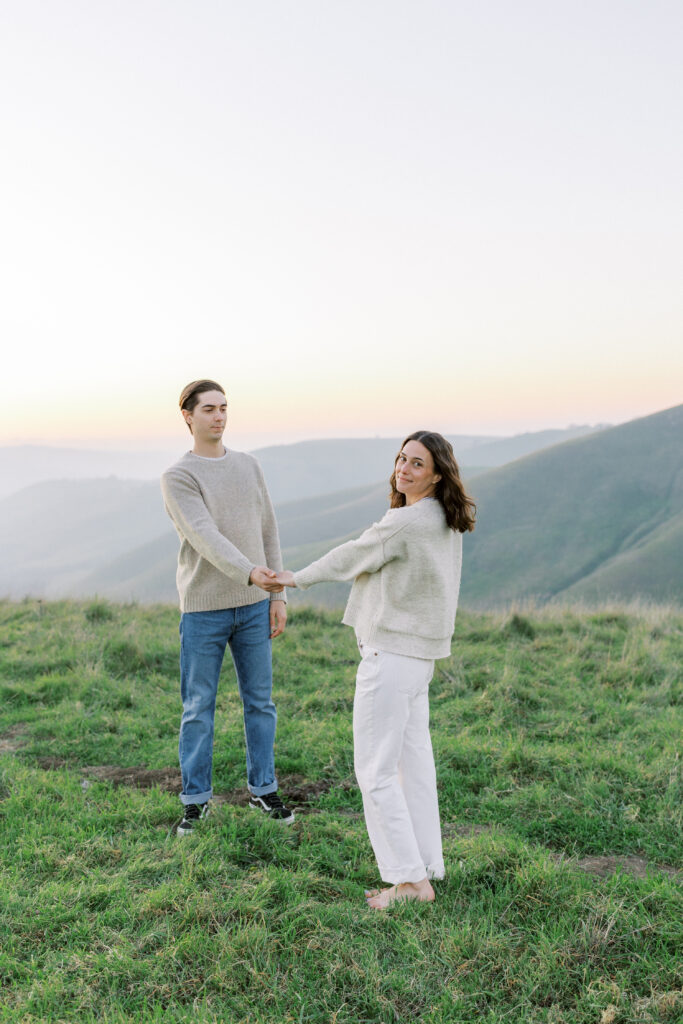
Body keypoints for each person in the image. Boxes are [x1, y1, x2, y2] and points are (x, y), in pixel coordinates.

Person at [257, 430, 475, 907]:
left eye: (417, 463)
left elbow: (353, 553)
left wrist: (297, 577)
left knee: (375, 772)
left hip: (391, 657)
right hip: (419, 660)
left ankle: (411, 883)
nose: (403, 468)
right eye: (401, 458)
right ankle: (426, 864)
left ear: (437, 473)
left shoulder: (407, 521)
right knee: (412, 765)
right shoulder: (443, 517)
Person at [161, 379, 294, 834]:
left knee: (261, 703)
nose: (218, 416)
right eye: (208, 409)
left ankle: (264, 790)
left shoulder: (249, 466)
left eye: (223, 408)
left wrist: (276, 594)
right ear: (188, 417)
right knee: (198, 706)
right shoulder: (178, 477)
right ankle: (195, 802)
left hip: (256, 605)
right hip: (203, 609)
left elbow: (268, 529)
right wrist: (250, 572)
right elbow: (204, 536)